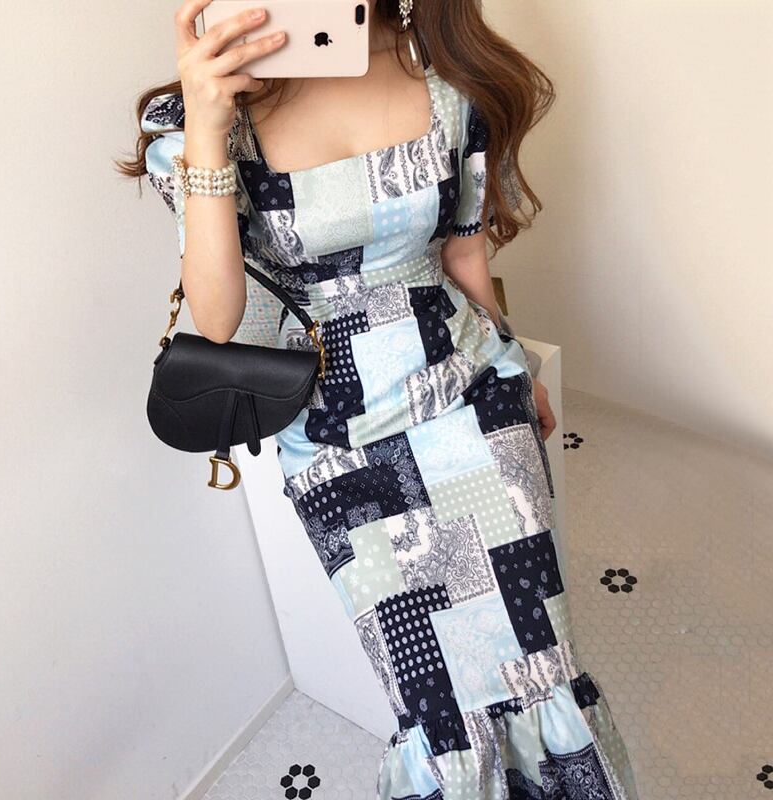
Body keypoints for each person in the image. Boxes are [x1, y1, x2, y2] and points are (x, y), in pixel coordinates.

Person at [117, 1, 640, 797]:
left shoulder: (449, 80)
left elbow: (463, 255)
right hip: (338, 440)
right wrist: (208, 128)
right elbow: (218, 319)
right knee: (434, 708)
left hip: (473, 401)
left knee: (543, 669)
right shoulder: (202, 112)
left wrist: (515, 360)